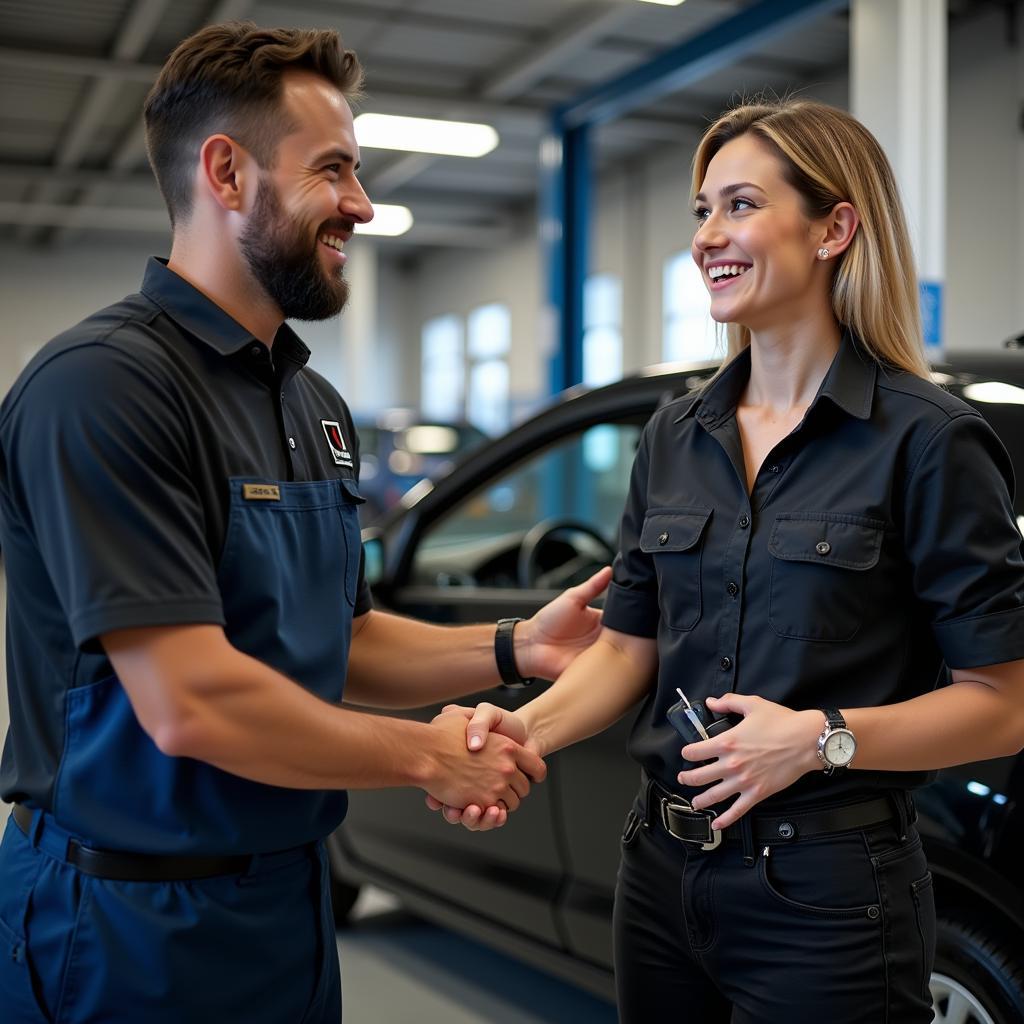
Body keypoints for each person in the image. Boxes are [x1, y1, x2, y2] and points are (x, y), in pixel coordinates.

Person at [0, 22, 611, 1024]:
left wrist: (513, 643)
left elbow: (344, 635)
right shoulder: (104, 387)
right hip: (123, 920)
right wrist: (429, 755)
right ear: (227, 173)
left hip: (283, 902)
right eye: (334, 170)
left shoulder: (310, 402)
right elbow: (190, 699)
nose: (363, 206)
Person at [434, 98, 1024, 1023]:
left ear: (836, 227)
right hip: (659, 877)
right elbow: (628, 651)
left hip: (829, 893)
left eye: (740, 205)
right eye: (702, 211)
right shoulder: (675, 434)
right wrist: (525, 735)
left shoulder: (929, 441)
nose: (710, 235)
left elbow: (1005, 704)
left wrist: (822, 736)